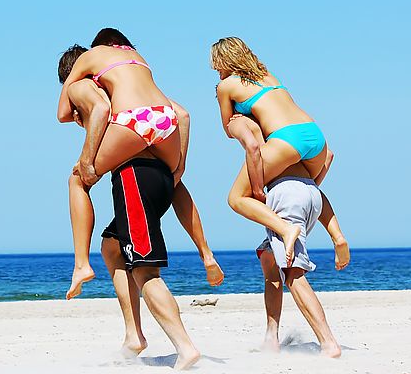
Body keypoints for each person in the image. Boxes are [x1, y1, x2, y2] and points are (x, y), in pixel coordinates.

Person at [58, 28, 216, 298]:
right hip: (165, 123)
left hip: (133, 124)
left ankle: (81, 264)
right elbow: (183, 115)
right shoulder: (136, 65)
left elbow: (70, 112)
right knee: (174, 180)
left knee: (77, 179)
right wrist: (179, 166)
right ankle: (206, 254)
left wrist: (86, 157)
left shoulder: (85, 74)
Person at [212, 36, 349, 267]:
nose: (217, 71)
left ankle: (286, 229)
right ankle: (337, 236)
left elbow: (228, 127)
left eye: (217, 65)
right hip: (315, 136)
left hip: (286, 138)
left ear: (224, 61)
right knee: (306, 184)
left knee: (236, 199)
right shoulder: (268, 76)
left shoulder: (226, 85)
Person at [228, 161, 348, 357]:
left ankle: (328, 343)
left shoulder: (265, 134)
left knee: (292, 270)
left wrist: (259, 190)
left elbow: (253, 150)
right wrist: (306, 186)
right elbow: (329, 157)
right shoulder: (297, 135)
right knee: (269, 258)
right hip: (312, 194)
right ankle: (271, 337)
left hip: (285, 194)